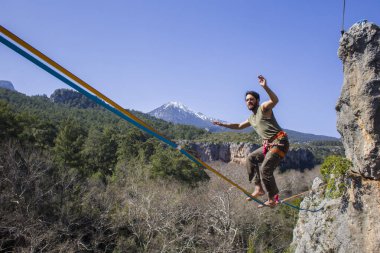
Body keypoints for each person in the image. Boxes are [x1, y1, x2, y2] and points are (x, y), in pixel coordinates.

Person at [213, 75, 289, 207]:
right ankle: (258, 188)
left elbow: (275, 100)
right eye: (247, 100)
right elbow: (238, 126)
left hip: (280, 142)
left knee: (265, 169)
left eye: (251, 99)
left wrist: (265, 87)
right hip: (270, 145)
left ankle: (272, 198)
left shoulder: (263, 108)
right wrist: (223, 124)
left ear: (257, 101)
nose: (249, 101)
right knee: (250, 158)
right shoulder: (251, 118)